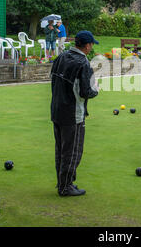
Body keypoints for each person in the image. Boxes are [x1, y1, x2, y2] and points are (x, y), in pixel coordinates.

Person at [50, 30, 100, 197]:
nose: (91, 47)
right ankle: (66, 187)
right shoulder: (83, 63)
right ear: (86, 45)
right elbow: (86, 92)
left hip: (57, 110)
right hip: (72, 113)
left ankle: (63, 183)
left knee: (61, 150)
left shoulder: (62, 56)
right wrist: (96, 89)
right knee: (72, 151)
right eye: (91, 44)